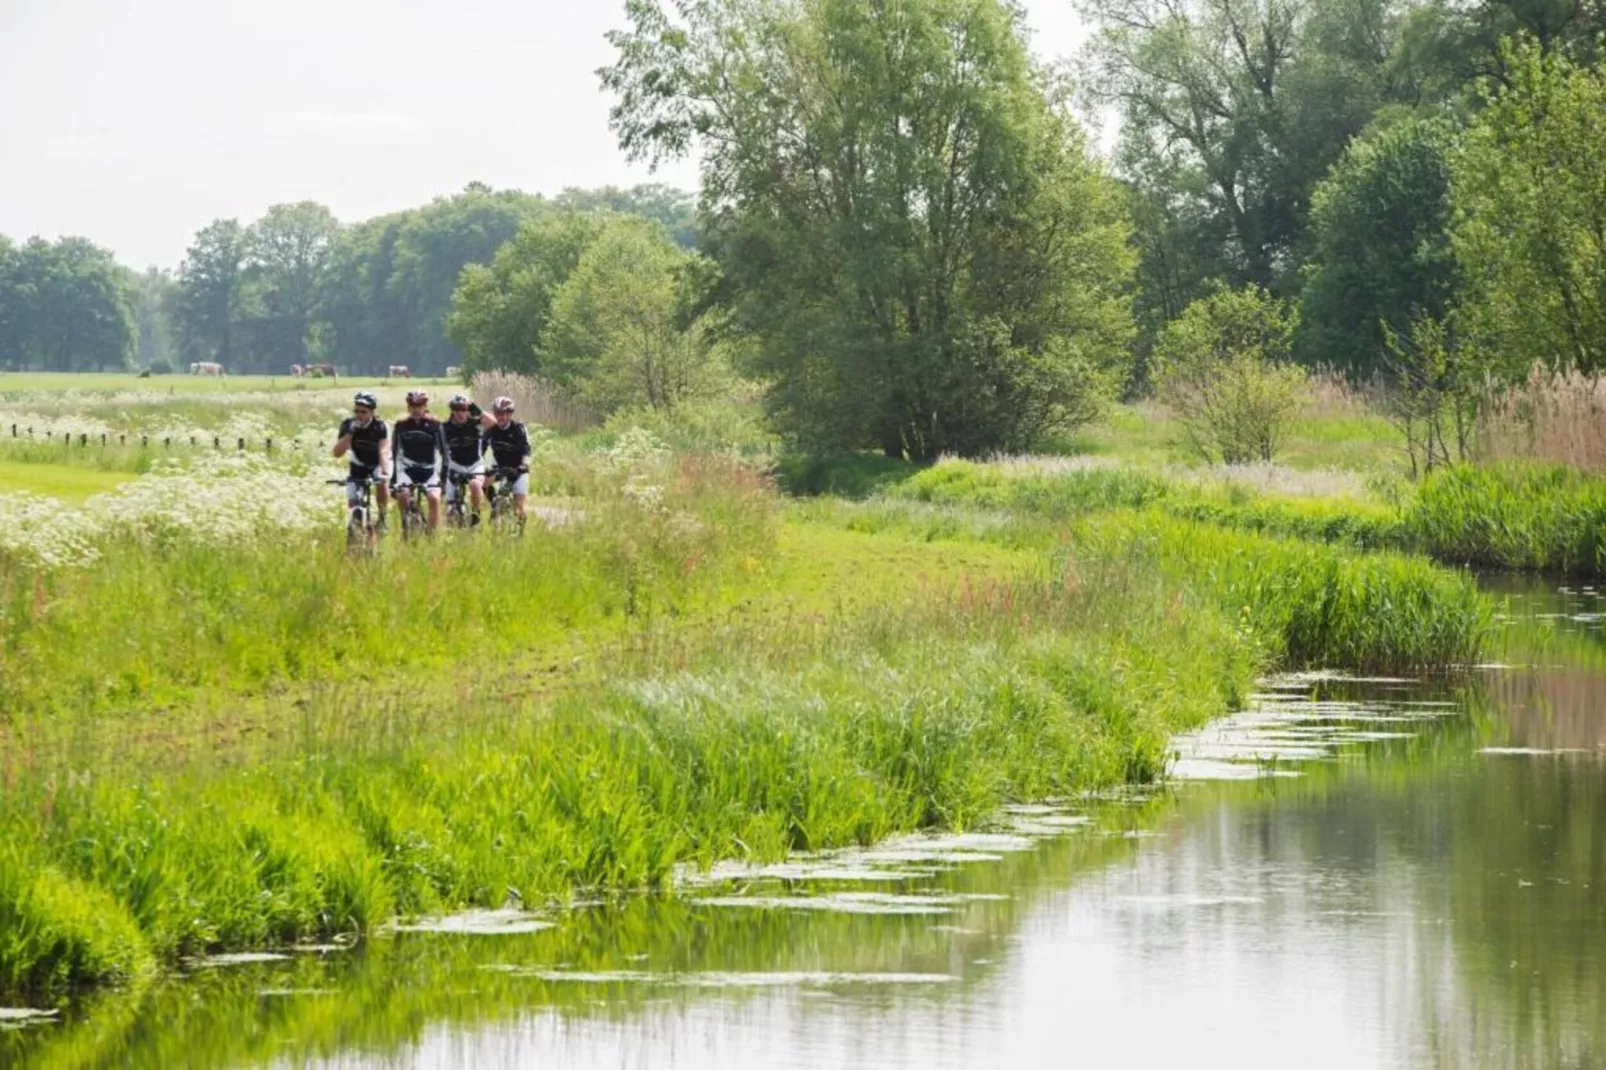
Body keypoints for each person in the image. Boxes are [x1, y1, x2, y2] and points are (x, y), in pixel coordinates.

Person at [390, 389, 448, 532]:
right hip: (408, 469)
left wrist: (444, 479)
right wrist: (392, 481)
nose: (416, 410)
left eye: (419, 406)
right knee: (403, 495)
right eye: (412, 406)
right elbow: (394, 452)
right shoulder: (401, 425)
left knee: (434, 499)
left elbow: (445, 453)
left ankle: (431, 535)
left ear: (425, 406)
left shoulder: (435, 425)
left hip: (428, 470)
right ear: (408, 407)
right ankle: (406, 525)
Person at [331, 390, 391, 524]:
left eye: (363, 412)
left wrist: (385, 473)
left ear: (372, 412)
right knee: (354, 503)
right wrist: (350, 433)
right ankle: (356, 526)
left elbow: (383, 451)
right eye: (356, 411)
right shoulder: (348, 424)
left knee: (382, 484)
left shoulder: (380, 426)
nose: (359, 415)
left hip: (376, 463)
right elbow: (337, 453)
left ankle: (382, 518)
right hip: (357, 464)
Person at [482, 395, 532, 526]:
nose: (501, 417)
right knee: (484, 482)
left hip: (518, 468)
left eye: (504, 414)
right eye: (498, 413)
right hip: (500, 467)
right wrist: (478, 465)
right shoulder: (491, 431)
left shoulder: (519, 428)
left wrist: (525, 464)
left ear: (510, 414)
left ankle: (520, 531)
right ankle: (495, 504)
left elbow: (526, 448)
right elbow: (481, 449)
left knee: (518, 507)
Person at [442, 393, 488, 524]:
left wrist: (474, 407)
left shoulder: (475, 424)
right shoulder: (445, 428)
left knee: (474, 485)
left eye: (464, 409)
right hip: (455, 465)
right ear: (452, 411)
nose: (460, 413)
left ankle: (476, 517)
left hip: (475, 465)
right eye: (457, 410)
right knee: (450, 509)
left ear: (468, 411)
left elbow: (493, 423)